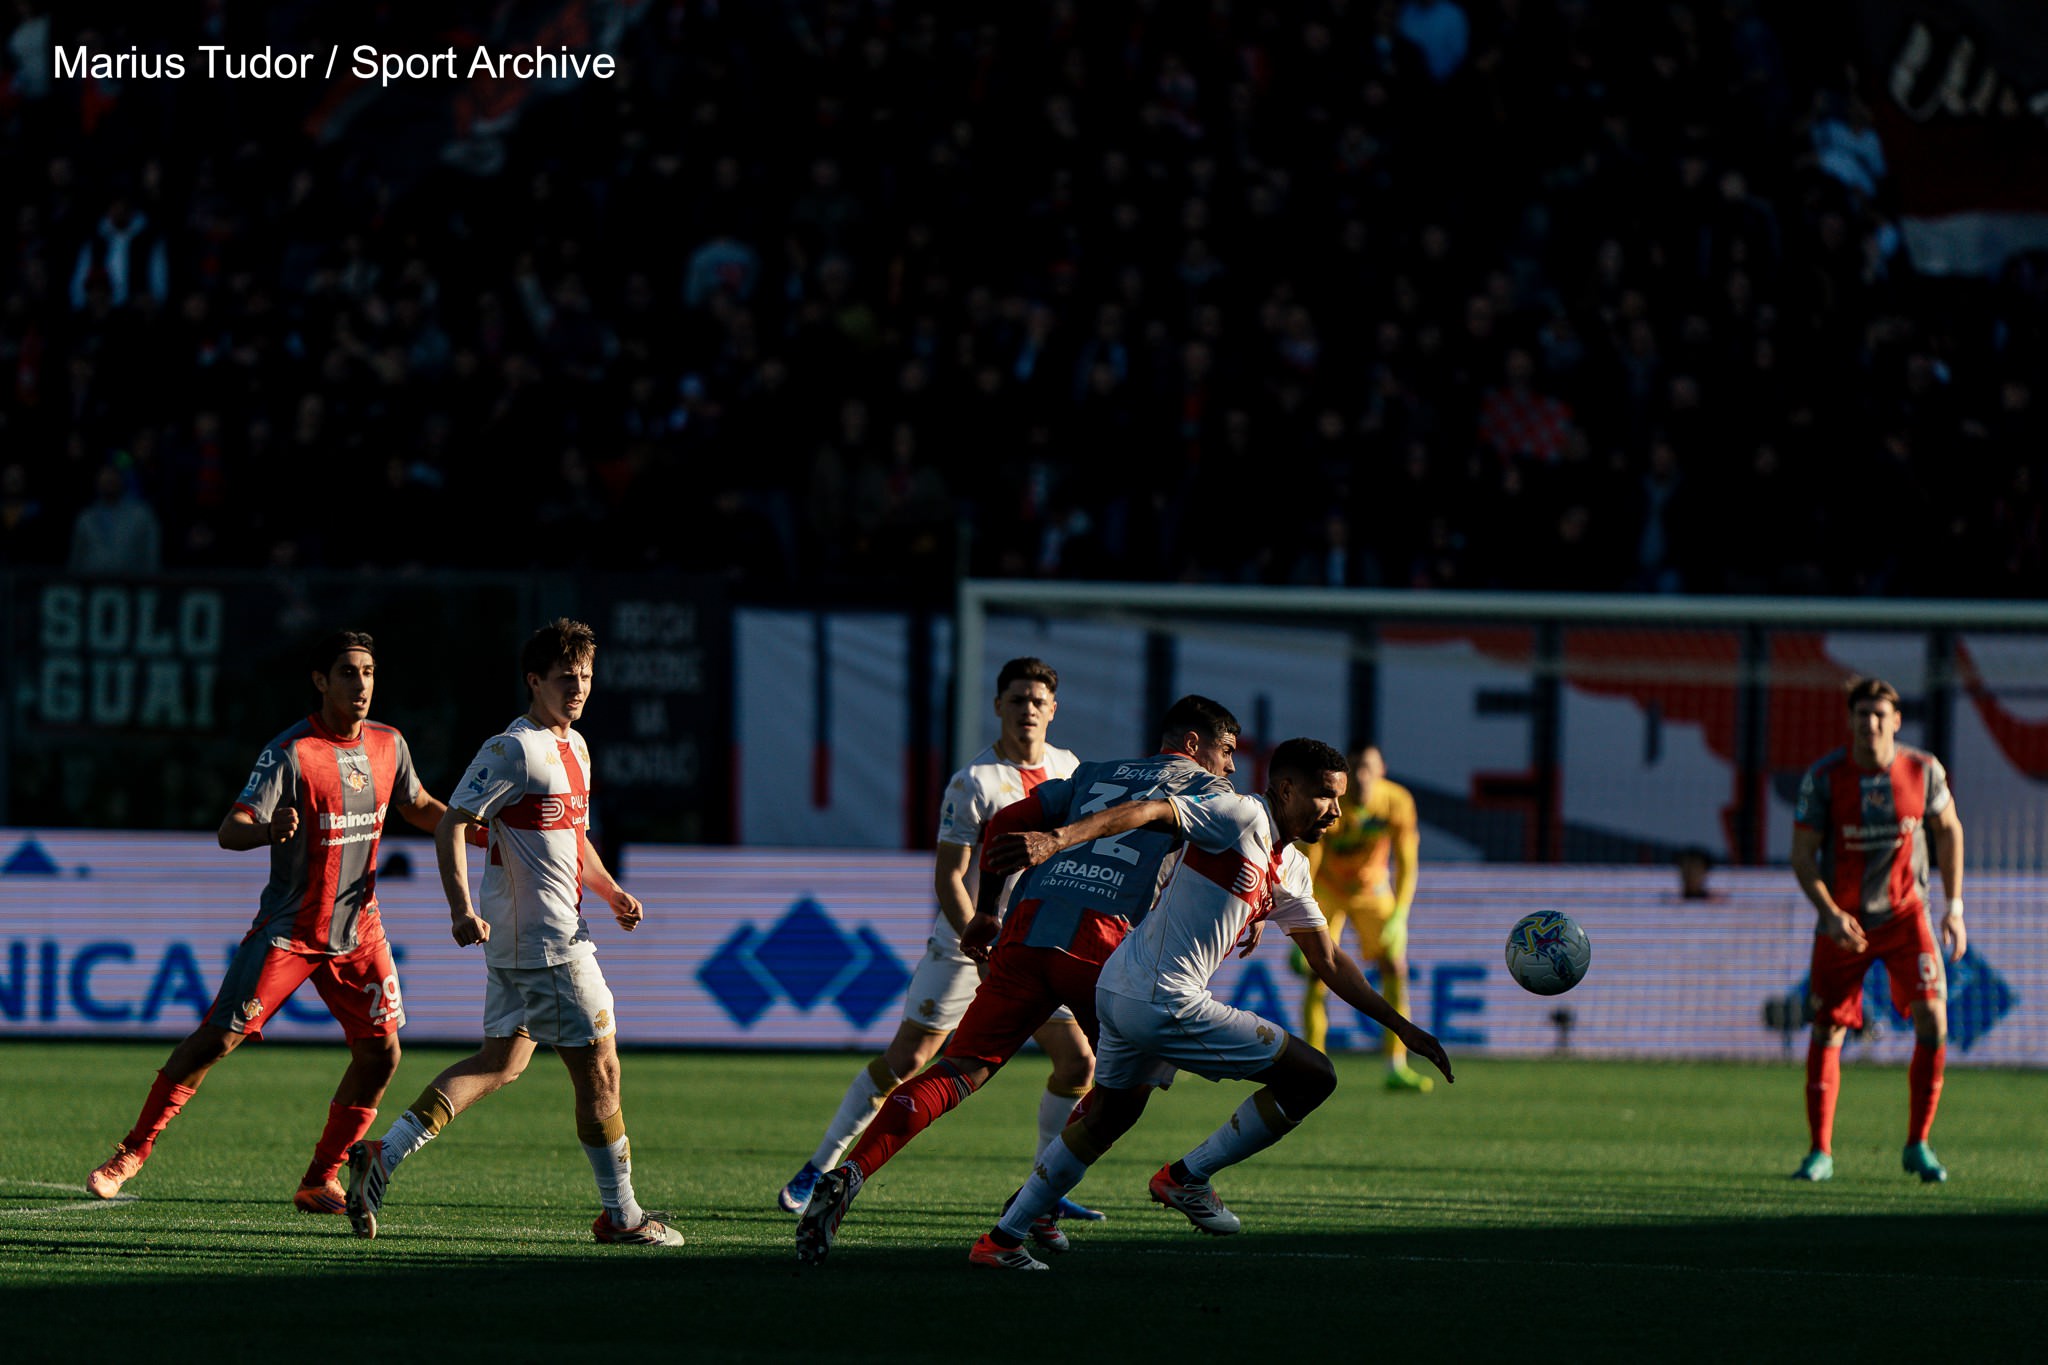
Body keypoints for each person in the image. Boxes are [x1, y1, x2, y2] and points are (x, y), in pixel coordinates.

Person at [965, 738, 1454, 1269]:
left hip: (1122, 987)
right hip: (1160, 997)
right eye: (1323, 796)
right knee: (1313, 1077)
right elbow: (1149, 810)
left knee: (1109, 1117)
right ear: (1286, 789)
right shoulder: (1239, 815)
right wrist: (1057, 839)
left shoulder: (1291, 866)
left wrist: (1402, 1027)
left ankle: (1002, 1240)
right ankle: (1186, 1178)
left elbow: (1329, 961)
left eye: (1337, 800)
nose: (1336, 811)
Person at [795, 695, 1244, 1264]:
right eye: (1226, 751)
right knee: (1121, 1097)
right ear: (1192, 746)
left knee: (959, 1069)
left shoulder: (1096, 773)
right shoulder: (1210, 792)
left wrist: (986, 910)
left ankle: (852, 1171)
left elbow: (1008, 822)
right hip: (1103, 946)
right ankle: (1032, 1210)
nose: (1230, 765)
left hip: (1027, 926)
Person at [87, 630, 455, 1213]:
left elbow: (417, 805)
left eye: (368, 672)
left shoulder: (389, 744)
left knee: (383, 1052)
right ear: (320, 681)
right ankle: (131, 1153)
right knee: (217, 1040)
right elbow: (229, 829)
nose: (360, 684)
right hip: (291, 931)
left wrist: (482, 832)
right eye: (347, 673)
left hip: (361, 931)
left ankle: (320, 1179)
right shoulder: (291, 752)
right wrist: (266, 830)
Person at [344, 618, 681, 1245]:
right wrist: (459, 908)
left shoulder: (575, 746)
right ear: (535, 681)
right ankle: (623, 1215)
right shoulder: (513, 749)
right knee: (599, 1071)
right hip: (547, 944)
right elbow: (453, 824)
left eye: (585, 676)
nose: (577, 688)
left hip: (542, 938)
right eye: (564, 678)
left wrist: (610, 893)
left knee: (500, 1062)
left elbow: (573, 838)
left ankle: (379, 1158)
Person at [777, 657, 1099, 1220]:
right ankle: (821, 1167)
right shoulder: (973, 782)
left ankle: (1042, 1189)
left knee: (1077, 1064)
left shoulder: (1070, 770)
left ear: (1053, 710)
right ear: (998, 706)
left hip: (1037, 943)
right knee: (910, 1056)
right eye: (1017, 699)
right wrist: (977, 932)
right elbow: (949, 875)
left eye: (1037, 701)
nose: (1027, 709)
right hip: (967, 940)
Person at [1789, 676, 1965, 1184]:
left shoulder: (1923, 770)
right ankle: (1820, 1152)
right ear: (1849, 721)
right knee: (1828, 1028)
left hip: (1907, 917)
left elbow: (1949, 829)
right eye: (1861, 713)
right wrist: (1826, 912)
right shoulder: (1824, 778)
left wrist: (1953, 906)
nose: (1870, 722)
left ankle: (1918, 1144)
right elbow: (1802, 855)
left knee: (1935, 1019)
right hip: (1842, 921)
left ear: (1896, 721)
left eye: (1879, 714)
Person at [1294, 742, 1431, 1090]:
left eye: (1369, 769)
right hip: (1327, 890)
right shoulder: (1327, 804)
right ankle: (1314, 1062)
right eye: (1356, 771)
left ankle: (1395, 1066)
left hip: (1372, 890)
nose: (1363, 779)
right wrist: (1300, 917)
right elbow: (1308, 862)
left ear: (1382, 770)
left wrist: (1400, 916)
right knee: (1318, 972)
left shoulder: (1396, 801)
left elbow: (1407, 862)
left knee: (1395, 967)